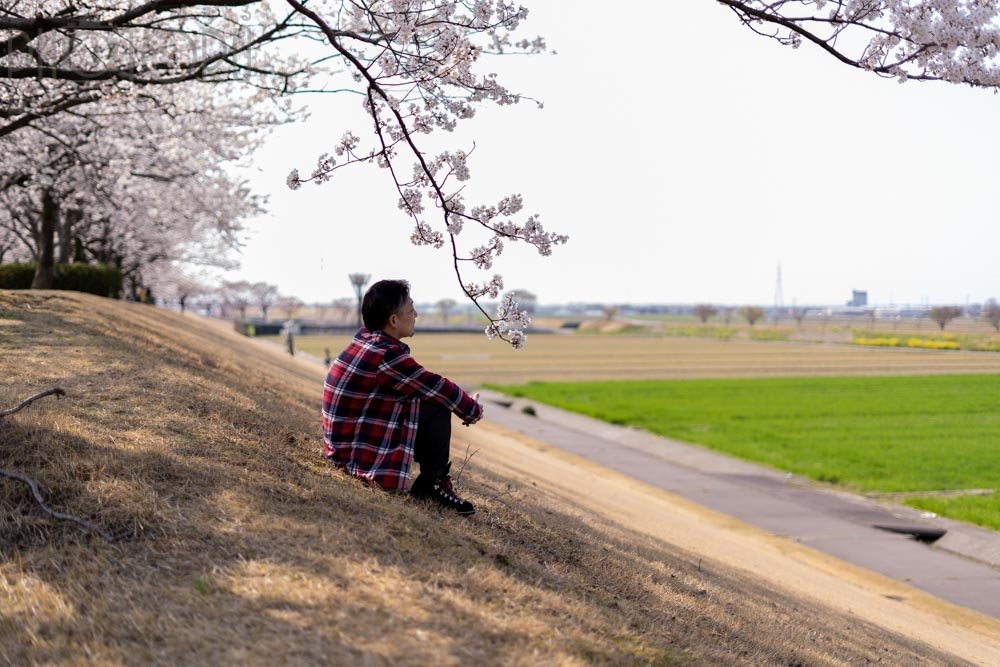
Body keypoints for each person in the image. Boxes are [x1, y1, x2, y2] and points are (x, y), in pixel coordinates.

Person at [321, 280, 483, 514]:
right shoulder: (386, 355)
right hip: (354, 458)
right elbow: (436, 386)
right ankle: (433, 484)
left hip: (342, 448)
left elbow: (424, 384)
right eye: (410, 309)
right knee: (436, 404)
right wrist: (472, 410)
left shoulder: (366, 340)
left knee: (424, 397)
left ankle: (433, 482)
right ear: (394, 320)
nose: (416, 314)